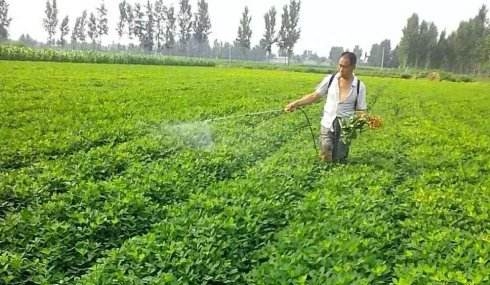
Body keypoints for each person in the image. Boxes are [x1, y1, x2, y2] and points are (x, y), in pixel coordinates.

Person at [284, 51, 367, 162]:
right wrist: (295, 103)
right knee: (326, 149)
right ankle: (324, 167)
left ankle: (337, 168)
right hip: (328, 122)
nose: (341, 69)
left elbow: (361, 109)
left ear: (353, 67)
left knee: (339, 158)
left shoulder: (359, 86)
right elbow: (315, 96)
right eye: (340, 65)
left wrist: (364, 119)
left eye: (345, 67)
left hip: (346, 127)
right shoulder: (331, 79)